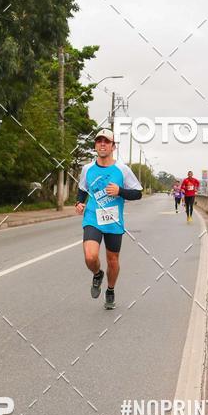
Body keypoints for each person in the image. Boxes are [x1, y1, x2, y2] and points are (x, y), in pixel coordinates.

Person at [75, 128, 142, 309]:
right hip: (92, 218)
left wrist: (120, 191)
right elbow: (82, 188)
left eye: (106, 142)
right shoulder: (87, 169)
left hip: (113, 221)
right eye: (99, 141)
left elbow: (138, 193)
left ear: (113, 146)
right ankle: (97, 274)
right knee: (90, 256)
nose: (102, 144)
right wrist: (79, 203)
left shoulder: (122, 170)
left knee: (113, 261)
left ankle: (110, 290)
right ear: (95, 145)